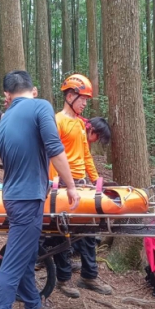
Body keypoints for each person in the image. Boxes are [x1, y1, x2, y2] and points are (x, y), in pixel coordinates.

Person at [0, 70, 80, 309]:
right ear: (33, 89)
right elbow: (55, 148)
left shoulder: (4, 119)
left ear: (7, 94)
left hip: (14, 197)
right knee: (13, 263)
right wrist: (71, 186)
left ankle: (34, 308)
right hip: (27, 199)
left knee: (25, 256)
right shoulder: (41, 107)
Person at [47, 74, 112, 297]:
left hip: (81, 184)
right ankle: (64, 279)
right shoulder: (57, 121)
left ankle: (89, 275)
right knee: (62, 232)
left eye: (86, 99)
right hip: (63, 185)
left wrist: (96, 181)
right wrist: (55, 184)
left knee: (88, 231)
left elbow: (86, 155)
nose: (85, 103)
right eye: (82, 99)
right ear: (70, 96)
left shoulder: (79, 123)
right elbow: (52, 154)